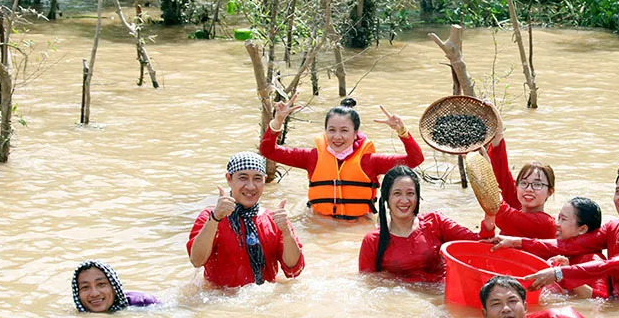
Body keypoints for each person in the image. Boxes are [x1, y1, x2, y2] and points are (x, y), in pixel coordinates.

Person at [488, 161, 619, 299]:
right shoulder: (613, 228)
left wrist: (558, 273)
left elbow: (608, 265)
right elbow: (569, 245)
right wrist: (516, 242)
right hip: (615, 304)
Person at [259, 95, 424, 220]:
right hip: (318, 224)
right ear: (325, 131)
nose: (337, 137)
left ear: (355, 133)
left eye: (344, 130)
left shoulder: (370, 161)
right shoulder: (312, 157)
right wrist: (278, 121)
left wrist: (402, 131)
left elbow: (415, 160)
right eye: (331, 130)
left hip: (358, 225)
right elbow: (268, 150)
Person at [187, 152, 305, 288]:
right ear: (229, 179)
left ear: (264, 180)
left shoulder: (275, 220)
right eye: (243, 178)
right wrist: (215, 218)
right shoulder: (210, 216)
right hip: (220, 301)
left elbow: (294, 271)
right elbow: (196, 260)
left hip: (262, 299)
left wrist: (286, 232)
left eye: (257, 179)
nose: (250, 186)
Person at [358, 165, 494, 282]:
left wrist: (489, 217)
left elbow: (478, 245)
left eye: (410, 193)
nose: (404, 200)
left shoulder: (435, 222)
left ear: (417, 196)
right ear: (387, 198)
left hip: (441, 298)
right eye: (397, 193)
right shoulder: (372, 241)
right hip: (403, 304)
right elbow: (369, 284)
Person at [481, 107, 556, 239]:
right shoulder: (519, 205)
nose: (529, 189)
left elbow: (502, 214)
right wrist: (497, 135)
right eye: (524, 183)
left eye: (537, 185)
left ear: (550, 191)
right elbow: (502, 176)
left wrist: (483, 170)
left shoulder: (546, 224)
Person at [547, 197, 609, 299]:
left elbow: (600, 299)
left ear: (582, 229)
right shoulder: (561, 254)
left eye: (563, 219)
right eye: (558, 218)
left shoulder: (593, 260)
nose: (557, 224)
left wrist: (567, 274)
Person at [480, 276, 586, 318]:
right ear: (485, 314)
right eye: (496, 304)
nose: (506, 309)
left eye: (512, 301)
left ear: (525, 307)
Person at [72, 260, 159, 313]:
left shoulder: (144, 303)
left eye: (101, 284)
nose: (94, 294)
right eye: (85, 287)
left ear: (114, 287)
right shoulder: (75, 317)